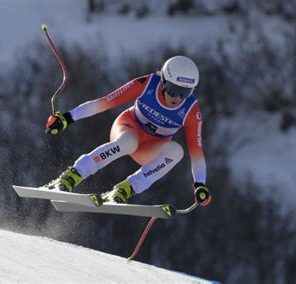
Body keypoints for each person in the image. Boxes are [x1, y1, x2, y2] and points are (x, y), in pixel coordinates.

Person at [44, 55, 211, 206]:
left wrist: (200, 185)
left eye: (185, 93)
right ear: (163, 81)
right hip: (129, 127)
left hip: (151, 147)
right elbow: (104, 102)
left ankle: (125, 189)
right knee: (128, 143)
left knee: (177, 151)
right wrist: (67, 118)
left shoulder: (191, 111)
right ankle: (72, 175)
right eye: (174, 90)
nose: (178, 98)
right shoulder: (146, 85)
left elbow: (197, 153)